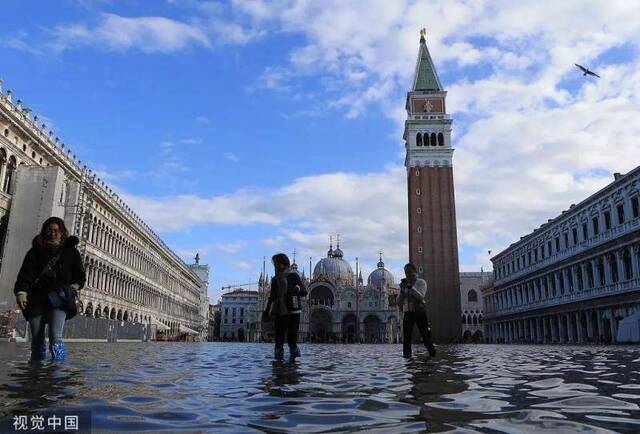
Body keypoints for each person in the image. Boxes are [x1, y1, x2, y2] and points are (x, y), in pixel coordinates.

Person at [13, 217, 85, 361]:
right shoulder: (35, 252)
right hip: (36, 298)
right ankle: (36, 372)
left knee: (55, 335)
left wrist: (72, 288)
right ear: (44, 232)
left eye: (56, 231)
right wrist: (21, 293)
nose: (52, 234)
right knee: (37, 338)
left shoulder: (71, 252)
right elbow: (25, 275)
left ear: (62, 233)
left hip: (59, 298)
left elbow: (80, 276)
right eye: (49, 231)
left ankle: (57, 374)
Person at [263, 253, 307, 361]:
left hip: (293, 311)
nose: (275, 266)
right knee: (279, 339)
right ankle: (278, 365)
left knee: (292, 340)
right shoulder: (275, 280)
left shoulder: (294, 276)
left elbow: (304, 292)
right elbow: (272, 297)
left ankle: (294, 364)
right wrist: (267, 310)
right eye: (274, 264)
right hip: (280, 311)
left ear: (282, 264)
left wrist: (296, 289)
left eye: (276, 263)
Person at [398, 262, 436, 358]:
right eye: (406, 272)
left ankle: (432, 353)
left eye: (409, 272)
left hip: (419, 312)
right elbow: (398, 301)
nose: (407, 274)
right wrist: (402, 291)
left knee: (425, 335)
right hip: (408, 312)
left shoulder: (421, 282)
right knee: (407, 337)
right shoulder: (405, 285)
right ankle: (407, 358)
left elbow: (420, 296)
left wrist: (410, 287)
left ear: (414, 271)